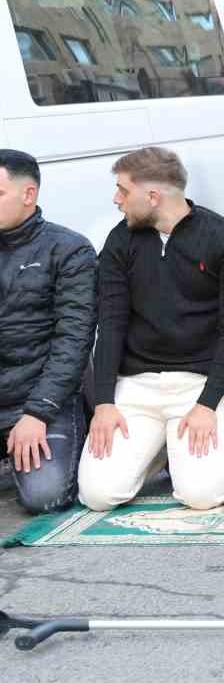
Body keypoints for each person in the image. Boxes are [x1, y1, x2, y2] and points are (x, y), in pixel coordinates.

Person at [79, 148, 224, 512]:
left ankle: (173, 448)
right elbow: (110, 325)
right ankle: (157, 448)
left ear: (153, 196)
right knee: (98, 495)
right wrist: (104, 402)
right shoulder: (119, 241)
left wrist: (208, 404)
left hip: (200, 386)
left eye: (123, 191)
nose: (116, 199)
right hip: (136, 386)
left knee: (202, 496)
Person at [0, 150, 96, 514]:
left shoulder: (69, 249)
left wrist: (37, 413)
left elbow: (73, 341)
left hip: (41, 401)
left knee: (45, 496)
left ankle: (72, 437)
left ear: (29, 195)